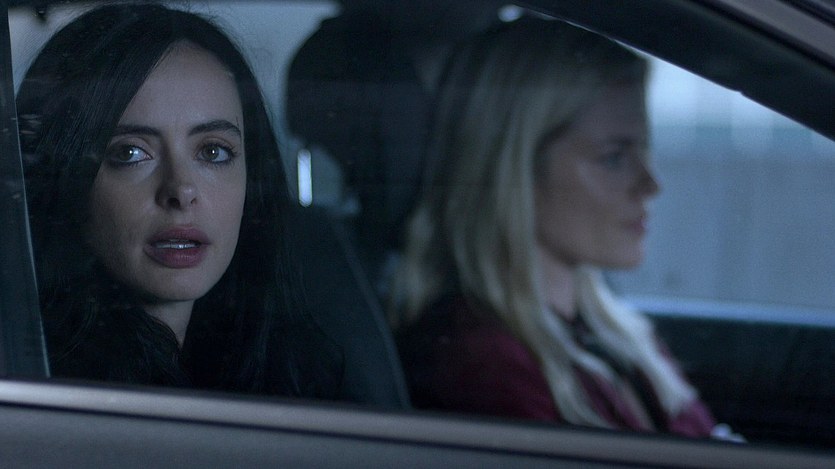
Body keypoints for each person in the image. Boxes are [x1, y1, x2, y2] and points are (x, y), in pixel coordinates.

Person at [391, 17, 722, 437]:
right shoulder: (486, 365)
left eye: (644, 150)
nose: (650, 185)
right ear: (516, 170)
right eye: (614, 158)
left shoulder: (611, 329)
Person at [17, 3, 342, 397]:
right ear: (64, 174)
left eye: (213, 152)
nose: (181, 190)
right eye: (130, 153)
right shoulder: (37, 382)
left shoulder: (288, 370)